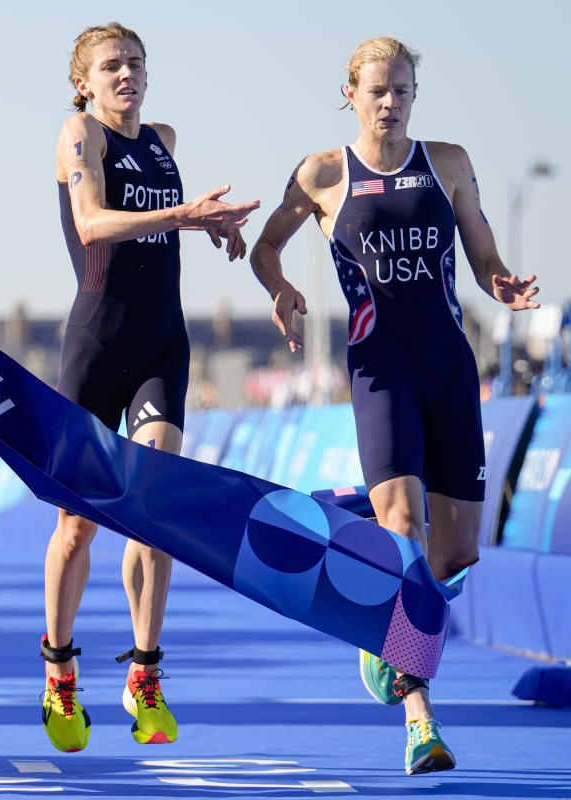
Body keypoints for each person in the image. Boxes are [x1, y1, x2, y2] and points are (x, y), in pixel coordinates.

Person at [250, 36, 539, 775]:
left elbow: (481, 254)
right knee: (405, 528)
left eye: (403, 90)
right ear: (351, 93)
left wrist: (501, 280)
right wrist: (280, 289)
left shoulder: (448, 162)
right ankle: (420, 721)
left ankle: (379, 608)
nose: (390, 102)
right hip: (378, 371)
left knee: (456, 551)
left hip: (447, 367)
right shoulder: (321, 174)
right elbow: (264, 249)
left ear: (415, 94)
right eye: (377, 91)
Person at [42, 22, 259, 753]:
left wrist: (209, 228)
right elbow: (92, 222)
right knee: (78, 526)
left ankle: (144, 671)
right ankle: (61, 670)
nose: (126, 73)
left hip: (163, 344)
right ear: (85, 81)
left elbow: (165, 225)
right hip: (97, 347)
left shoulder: (161, 137)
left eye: (135, 62)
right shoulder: (80, 134)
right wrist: (185, 214)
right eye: (111, 66)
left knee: (154, 508)